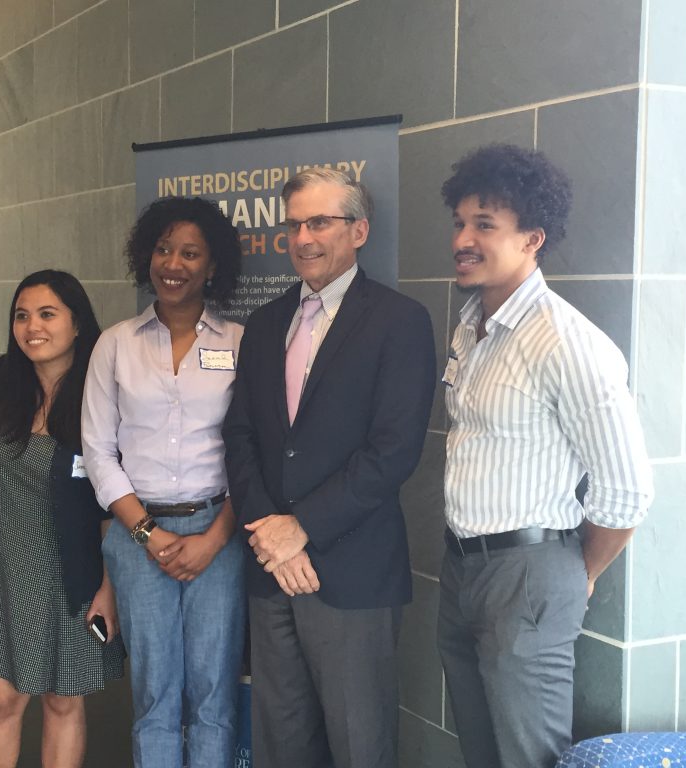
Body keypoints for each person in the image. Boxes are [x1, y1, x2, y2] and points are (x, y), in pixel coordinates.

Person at [436, 144, 654, 768]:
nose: (464, 239)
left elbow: (628, 490)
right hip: (462, 567)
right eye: (460, 222)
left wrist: (575, 572)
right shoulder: (471, 325)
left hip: (530, 573)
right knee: (480, 749)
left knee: (531, 757)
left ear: (532, 238)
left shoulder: (567, 343)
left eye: (485, 225)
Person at [222, 167, 437, 768]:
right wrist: (271, 530)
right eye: (294, 225)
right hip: (271, 572)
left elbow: (393, 451)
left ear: (359, 230)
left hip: (352, 573)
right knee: (281, 743)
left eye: (320, 222)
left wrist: (302, 528)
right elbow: (240, 435)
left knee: (358, 746)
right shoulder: (265, 324)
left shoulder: (399, 320)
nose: (303, 238)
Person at [81, 196, 245, 768]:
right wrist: (146, 532)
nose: (173, 263)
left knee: (213, 692)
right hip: (136, 535)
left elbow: (252, 457)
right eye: (163, 249)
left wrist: (214, 538)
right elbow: (99, 453)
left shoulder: (239, 343)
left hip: (218, 535)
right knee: (154, 694)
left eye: (190, 253)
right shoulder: (116, 343)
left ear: (213, 265)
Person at [0, 270, 124, 768]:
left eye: (47, 314)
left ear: (77, 324)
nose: (32, 327)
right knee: (0, 701)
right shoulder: (1, 389)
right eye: (21, 315)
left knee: (63, 698)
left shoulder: (103, 395)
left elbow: (114, 503)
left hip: (70, 576)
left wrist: (109, 589)